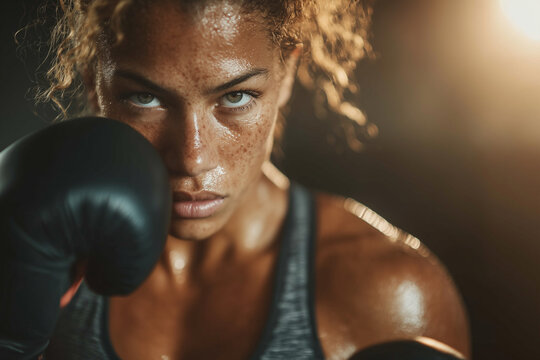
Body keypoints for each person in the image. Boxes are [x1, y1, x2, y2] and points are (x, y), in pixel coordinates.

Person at [4, 0, 470, 358]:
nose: (192, 156)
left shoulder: (388, 294)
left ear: (287, 74)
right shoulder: (42, 255)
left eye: (237, 97)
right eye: (145, 98)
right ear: (93, 80)